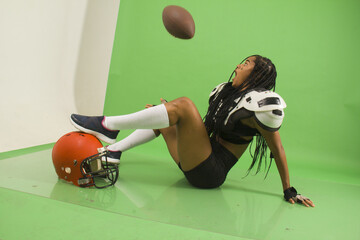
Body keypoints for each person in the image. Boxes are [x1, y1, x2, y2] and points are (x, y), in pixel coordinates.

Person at [70, 54, 315, 207]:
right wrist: (168, 112)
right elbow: (203, 129)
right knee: (166, 113)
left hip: (210, 173)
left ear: (257, 75)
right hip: (196, 163)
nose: (239, 65)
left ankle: (108, 126)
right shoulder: (226, 93)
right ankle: (114, 150)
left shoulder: (260, 107)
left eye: (247, 63)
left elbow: (278, 148)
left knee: (184, 105)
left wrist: (288, 190)